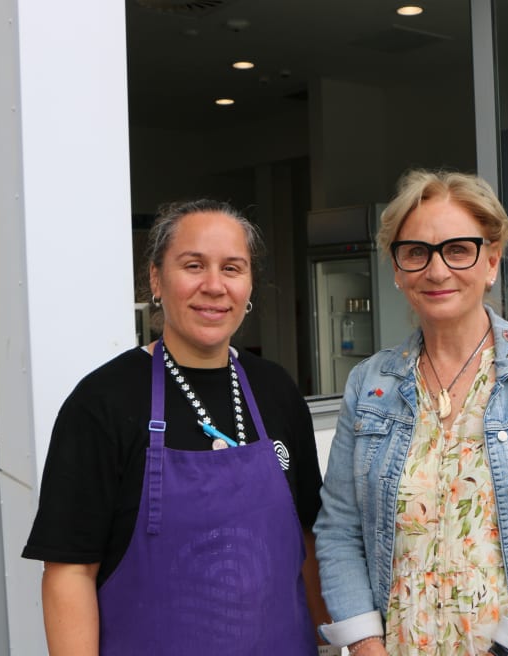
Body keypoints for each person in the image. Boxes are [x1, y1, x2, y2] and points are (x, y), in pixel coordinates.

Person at [314, 170, 508, 656]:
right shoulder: (369, 384)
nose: (436, 271)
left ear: (492, 260)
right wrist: (365, 642)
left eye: (458, 249)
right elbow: (339, 527)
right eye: (416, 252)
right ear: (396, 268)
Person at [23, 200, 326, 655]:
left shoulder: (275, 389)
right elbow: (70, 572)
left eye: (232, 268)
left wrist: (327, 641)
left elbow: (308, 537)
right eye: (193, 265)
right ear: (155, 280)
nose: (213, 286)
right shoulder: (103, 402)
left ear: (249, 286)